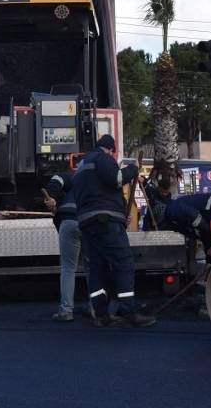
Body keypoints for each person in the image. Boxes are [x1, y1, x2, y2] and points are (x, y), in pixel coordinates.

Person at [74, 134, 154, 328]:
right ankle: (129, 311)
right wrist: (133, 169)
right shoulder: (103, 159)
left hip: (87, 223)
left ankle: (101, 314)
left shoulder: (81, 165)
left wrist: (119, 214)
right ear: (111, 149)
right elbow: (117, 179)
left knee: (97, 268)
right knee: (124, 262)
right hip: (105, 221)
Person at [43, 170, 79, 322]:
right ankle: (96, 309)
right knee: (93, 267)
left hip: (68, 220)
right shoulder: (95, 180)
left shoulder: (68, 175)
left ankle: (66, 311)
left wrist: (52, 199)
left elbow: (54, 184)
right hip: (89, 221)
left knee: (68, 268)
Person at [162, 191, 211, 261]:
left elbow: (192, 215)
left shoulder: (170, 210)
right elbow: (198, 230)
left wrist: (208, 231)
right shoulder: (173, 221)